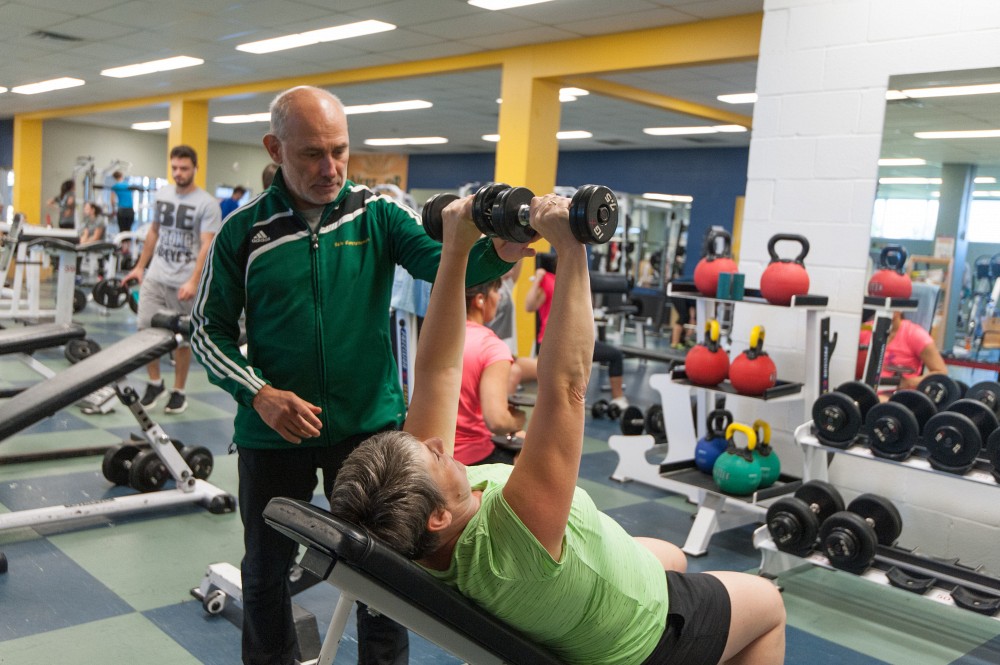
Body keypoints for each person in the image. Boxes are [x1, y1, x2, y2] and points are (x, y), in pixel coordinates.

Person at [329, 194, 786, 665]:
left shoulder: (414, 534)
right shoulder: (514, 533)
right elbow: (566, 386)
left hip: (583, 595)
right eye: (437, 456)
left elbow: (439, 373)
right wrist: (571, 249)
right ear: (438, 517)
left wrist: (456, 251)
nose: (440, 443)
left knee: (672, 554)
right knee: (768, 604)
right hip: (637, 638)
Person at [189, 85, 529, 665]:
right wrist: (259, 394)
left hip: (368, 431)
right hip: (275, 433)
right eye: (312, 154)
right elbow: (205, 330)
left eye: (340, 151)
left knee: (385, 570)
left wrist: (513, 239)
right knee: (265, 569)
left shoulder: (377, 215)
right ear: (276, 148)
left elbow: (453, 261)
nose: (331, 168)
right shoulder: (242, 232)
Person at [122, 145, 221, 415]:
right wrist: (140, 267)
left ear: (195, 169)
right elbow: (154, 232)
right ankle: (155, 384)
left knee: (182, 339)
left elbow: (206, 246)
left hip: (184, 282)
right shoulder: (163, 194)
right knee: (144, 330)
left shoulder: (207, 204)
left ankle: (179, 391)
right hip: (156, 276)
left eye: (184, 168)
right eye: (174, 168)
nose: (178, 173)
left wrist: (193, 281)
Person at [526, 254, 629, 413]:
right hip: (553, 344)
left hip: (576, 342)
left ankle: (618, 400)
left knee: (615, 355)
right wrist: (538, 279)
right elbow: (529, 306)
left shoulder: (577, 283)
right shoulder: (549, 281)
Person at [456, 279, 527, 465]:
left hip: (433, 454)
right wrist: (517, 421)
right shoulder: (492, 347)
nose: (500, 296)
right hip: (472, 457)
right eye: (496, 291)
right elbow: (497, 422)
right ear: (480, 300)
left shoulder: (438, 335)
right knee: (533, 450)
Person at [859, 310, 947, 391]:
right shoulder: (867, 328)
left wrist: (909, 382)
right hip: (868, 390)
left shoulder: (916, 334)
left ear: (899, 311)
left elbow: (941, 373)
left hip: (898, 396)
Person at [485, 260, 537, 392]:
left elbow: (519, 258)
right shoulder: (482, 292)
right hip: (490, 358)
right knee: (514, 373)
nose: (512, 271)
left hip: (508, 356)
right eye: (508, 267)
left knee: (553, 371)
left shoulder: (505, 285)